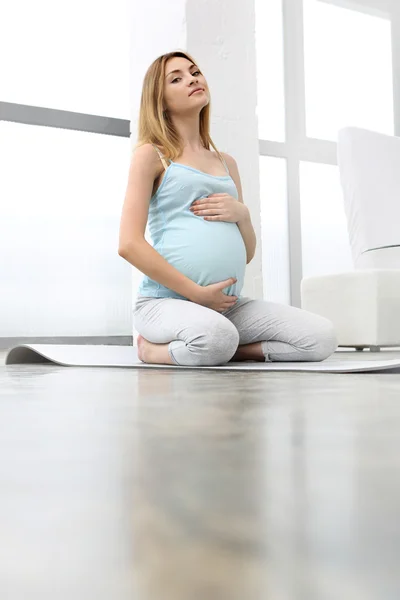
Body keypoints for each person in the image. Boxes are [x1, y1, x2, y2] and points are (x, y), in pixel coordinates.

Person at [118, 50, 338, 366]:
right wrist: (195, 293)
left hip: (226, 306)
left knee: (321, 337)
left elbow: (246, 254)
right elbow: (128, 244)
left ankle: (225, 348)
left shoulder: (226, 163)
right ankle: (152, 350)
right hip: (165, 302)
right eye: (177, 79)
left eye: (195, 72)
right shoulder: (153, 155)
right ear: (161, 100)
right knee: (217, 336)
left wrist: (243, 216)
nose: (192, 79)